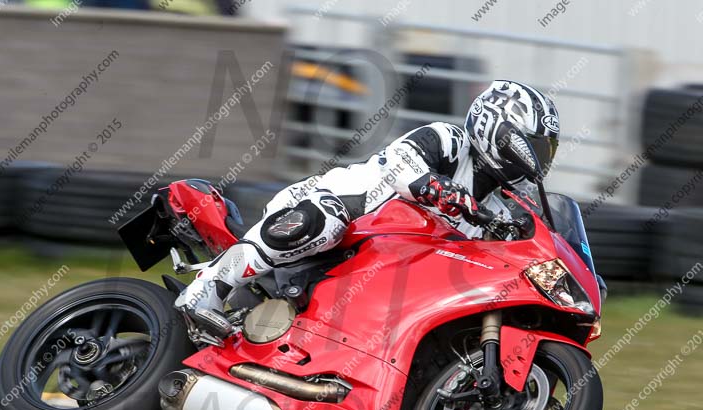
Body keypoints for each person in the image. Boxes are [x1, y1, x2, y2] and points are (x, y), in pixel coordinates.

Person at [175, 80, 560, 338]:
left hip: (386, 270)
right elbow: (400, 166)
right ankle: (206, 291)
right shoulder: (448, 139)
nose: (537, 160)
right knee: (325, 221)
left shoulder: (500, 206)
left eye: (546, 151)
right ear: (500, 130)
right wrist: (441, 189)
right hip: (341, 213)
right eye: (532, 146)